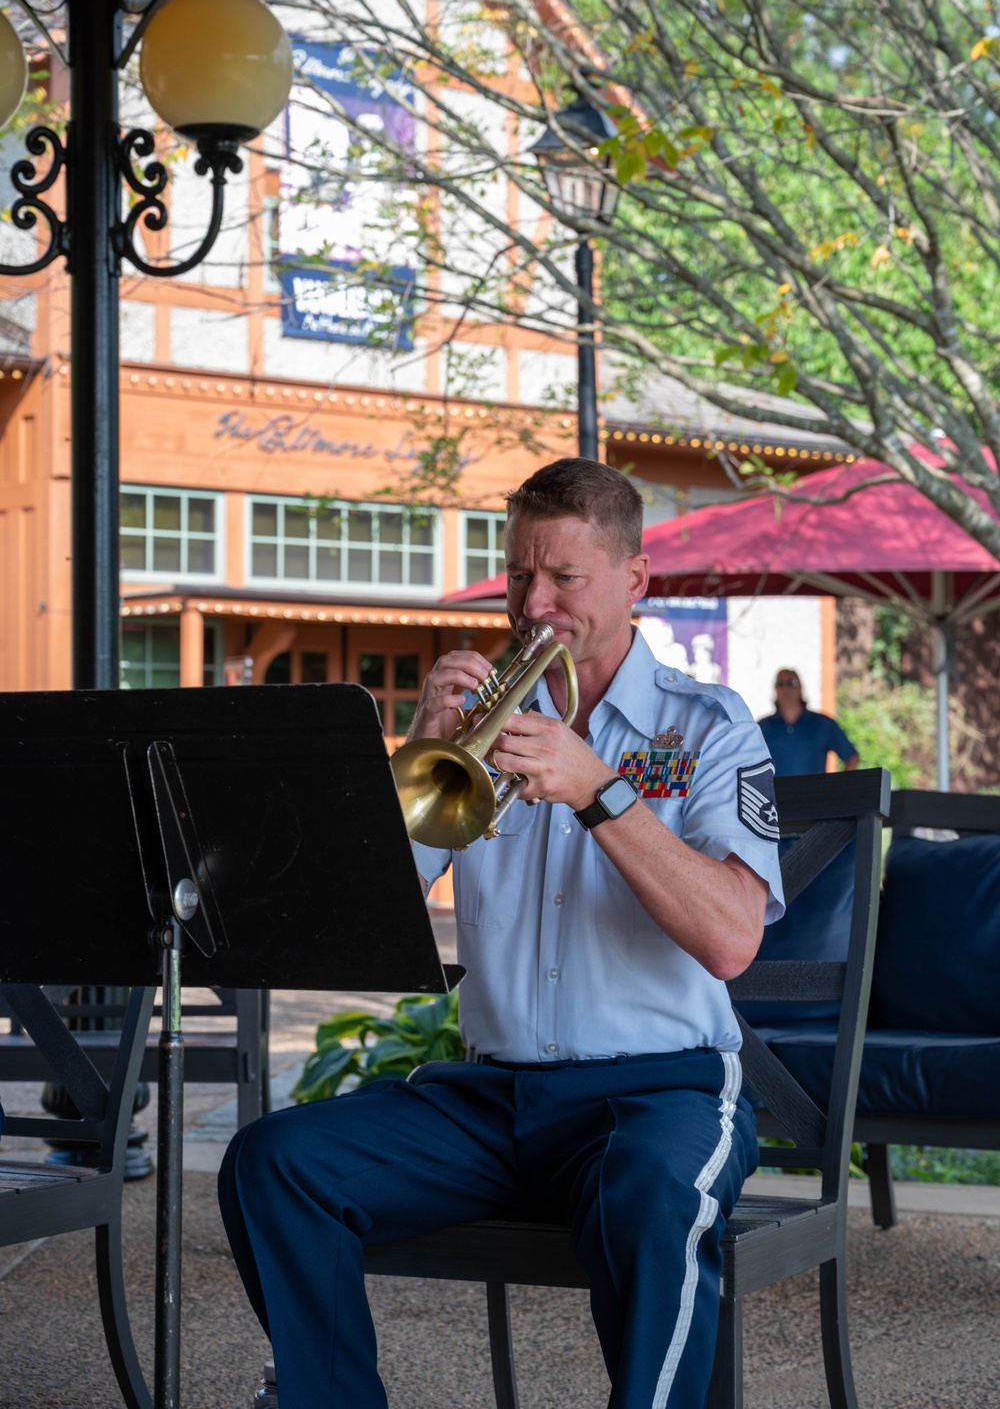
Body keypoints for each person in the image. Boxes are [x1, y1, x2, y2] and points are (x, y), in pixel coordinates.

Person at [218, 458, 785, 1409]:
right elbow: (365, 918)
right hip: (489, 1099)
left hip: (660, 1090)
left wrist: (603, 793)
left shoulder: (707, 725)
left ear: (634, 580)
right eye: (520, 573)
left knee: (652, 1200)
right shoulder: (482, 728)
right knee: (275, 1163)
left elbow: (732, 939)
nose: (534, 601)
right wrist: (411, 758)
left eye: (565, 576)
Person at [758, 668, 859, 776]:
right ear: (775, 689)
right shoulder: (763, 728)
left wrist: (841, 789)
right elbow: (746, 762)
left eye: (791, 683)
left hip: (816, 793)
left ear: (801, 688)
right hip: (775, 793)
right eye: (780, 684)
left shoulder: (822, 724)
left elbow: (851, 757)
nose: (785, 688)